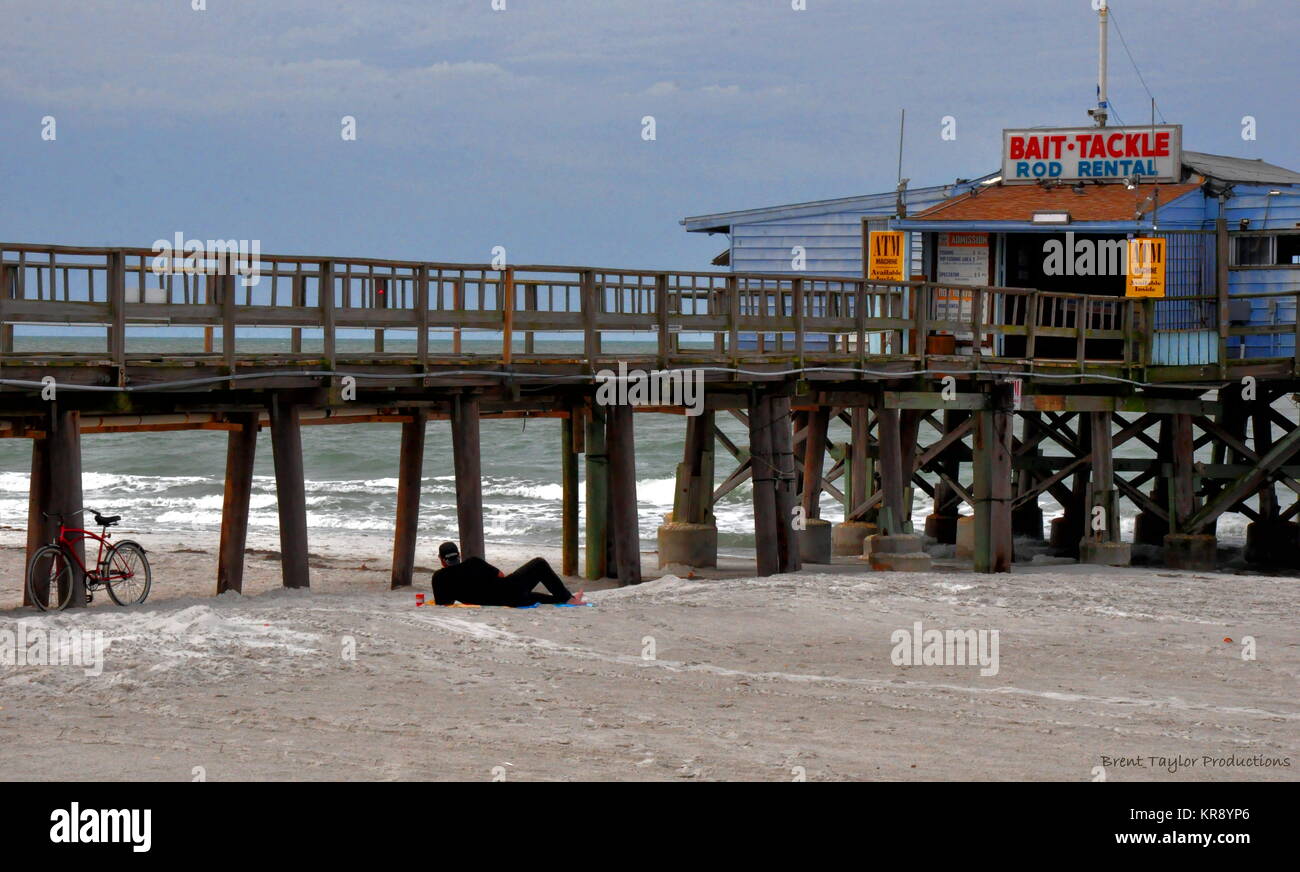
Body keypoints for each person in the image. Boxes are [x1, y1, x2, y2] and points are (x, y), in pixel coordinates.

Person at [430, 542, 585, 607]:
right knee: (539, 563)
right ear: (459, 555)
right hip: (509, 592)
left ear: (442, 560)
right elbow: (501, 575)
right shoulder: (473, 562)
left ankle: (568, 599)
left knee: (534, 596)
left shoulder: (438, 578)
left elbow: (444, 604)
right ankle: (570, 599)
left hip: (504, 602)